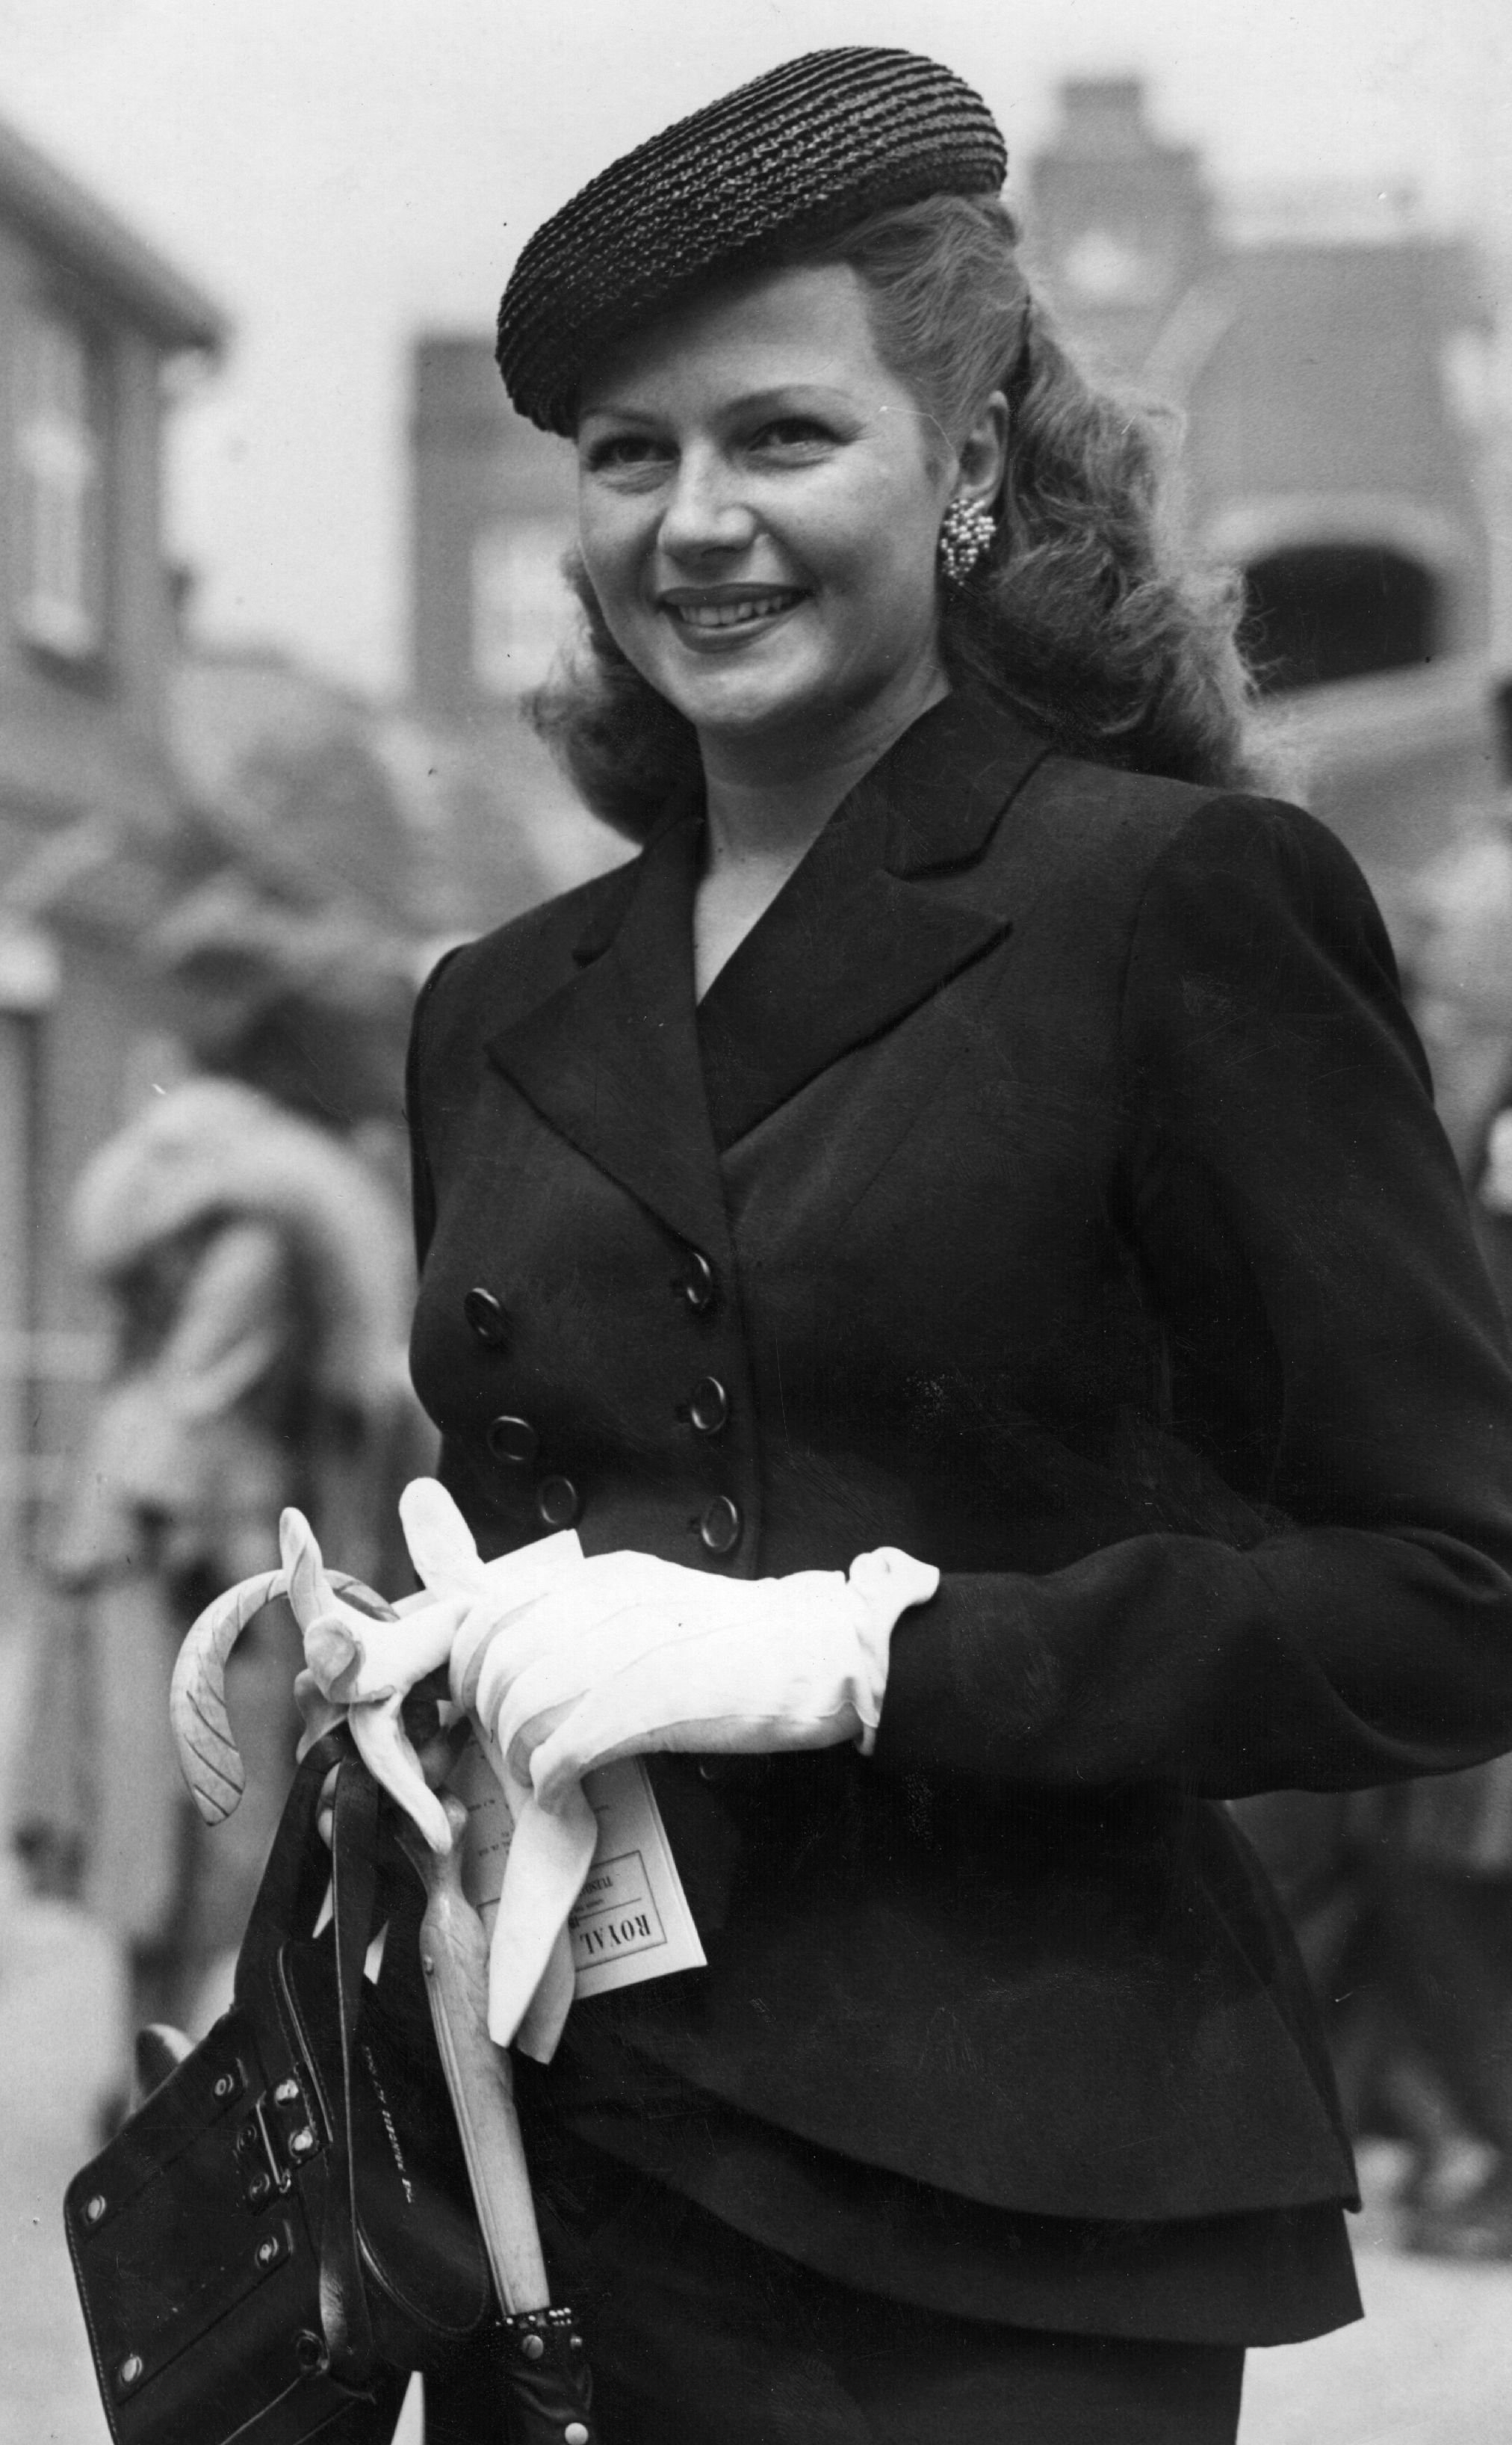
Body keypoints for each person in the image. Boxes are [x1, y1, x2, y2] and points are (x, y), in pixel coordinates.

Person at [400, 49, 1512, 2443]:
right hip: (550, 2189)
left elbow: (1452, 1594)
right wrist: (398, 1668)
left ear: (974, 459)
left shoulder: (1169, 907)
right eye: (628, 454)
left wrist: (856, 1658)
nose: (697, 523)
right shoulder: (494, 1012)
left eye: (783, 439)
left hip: (1002, 2236)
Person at [12, 891, 421, 2112]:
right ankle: (162, 2076)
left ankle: (146, 2065)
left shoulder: (193, 1176)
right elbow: (266, 1389)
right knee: (211, 1806)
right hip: (208, 1530)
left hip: (137, 1518)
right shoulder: (284, 1206)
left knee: (167, 1800)